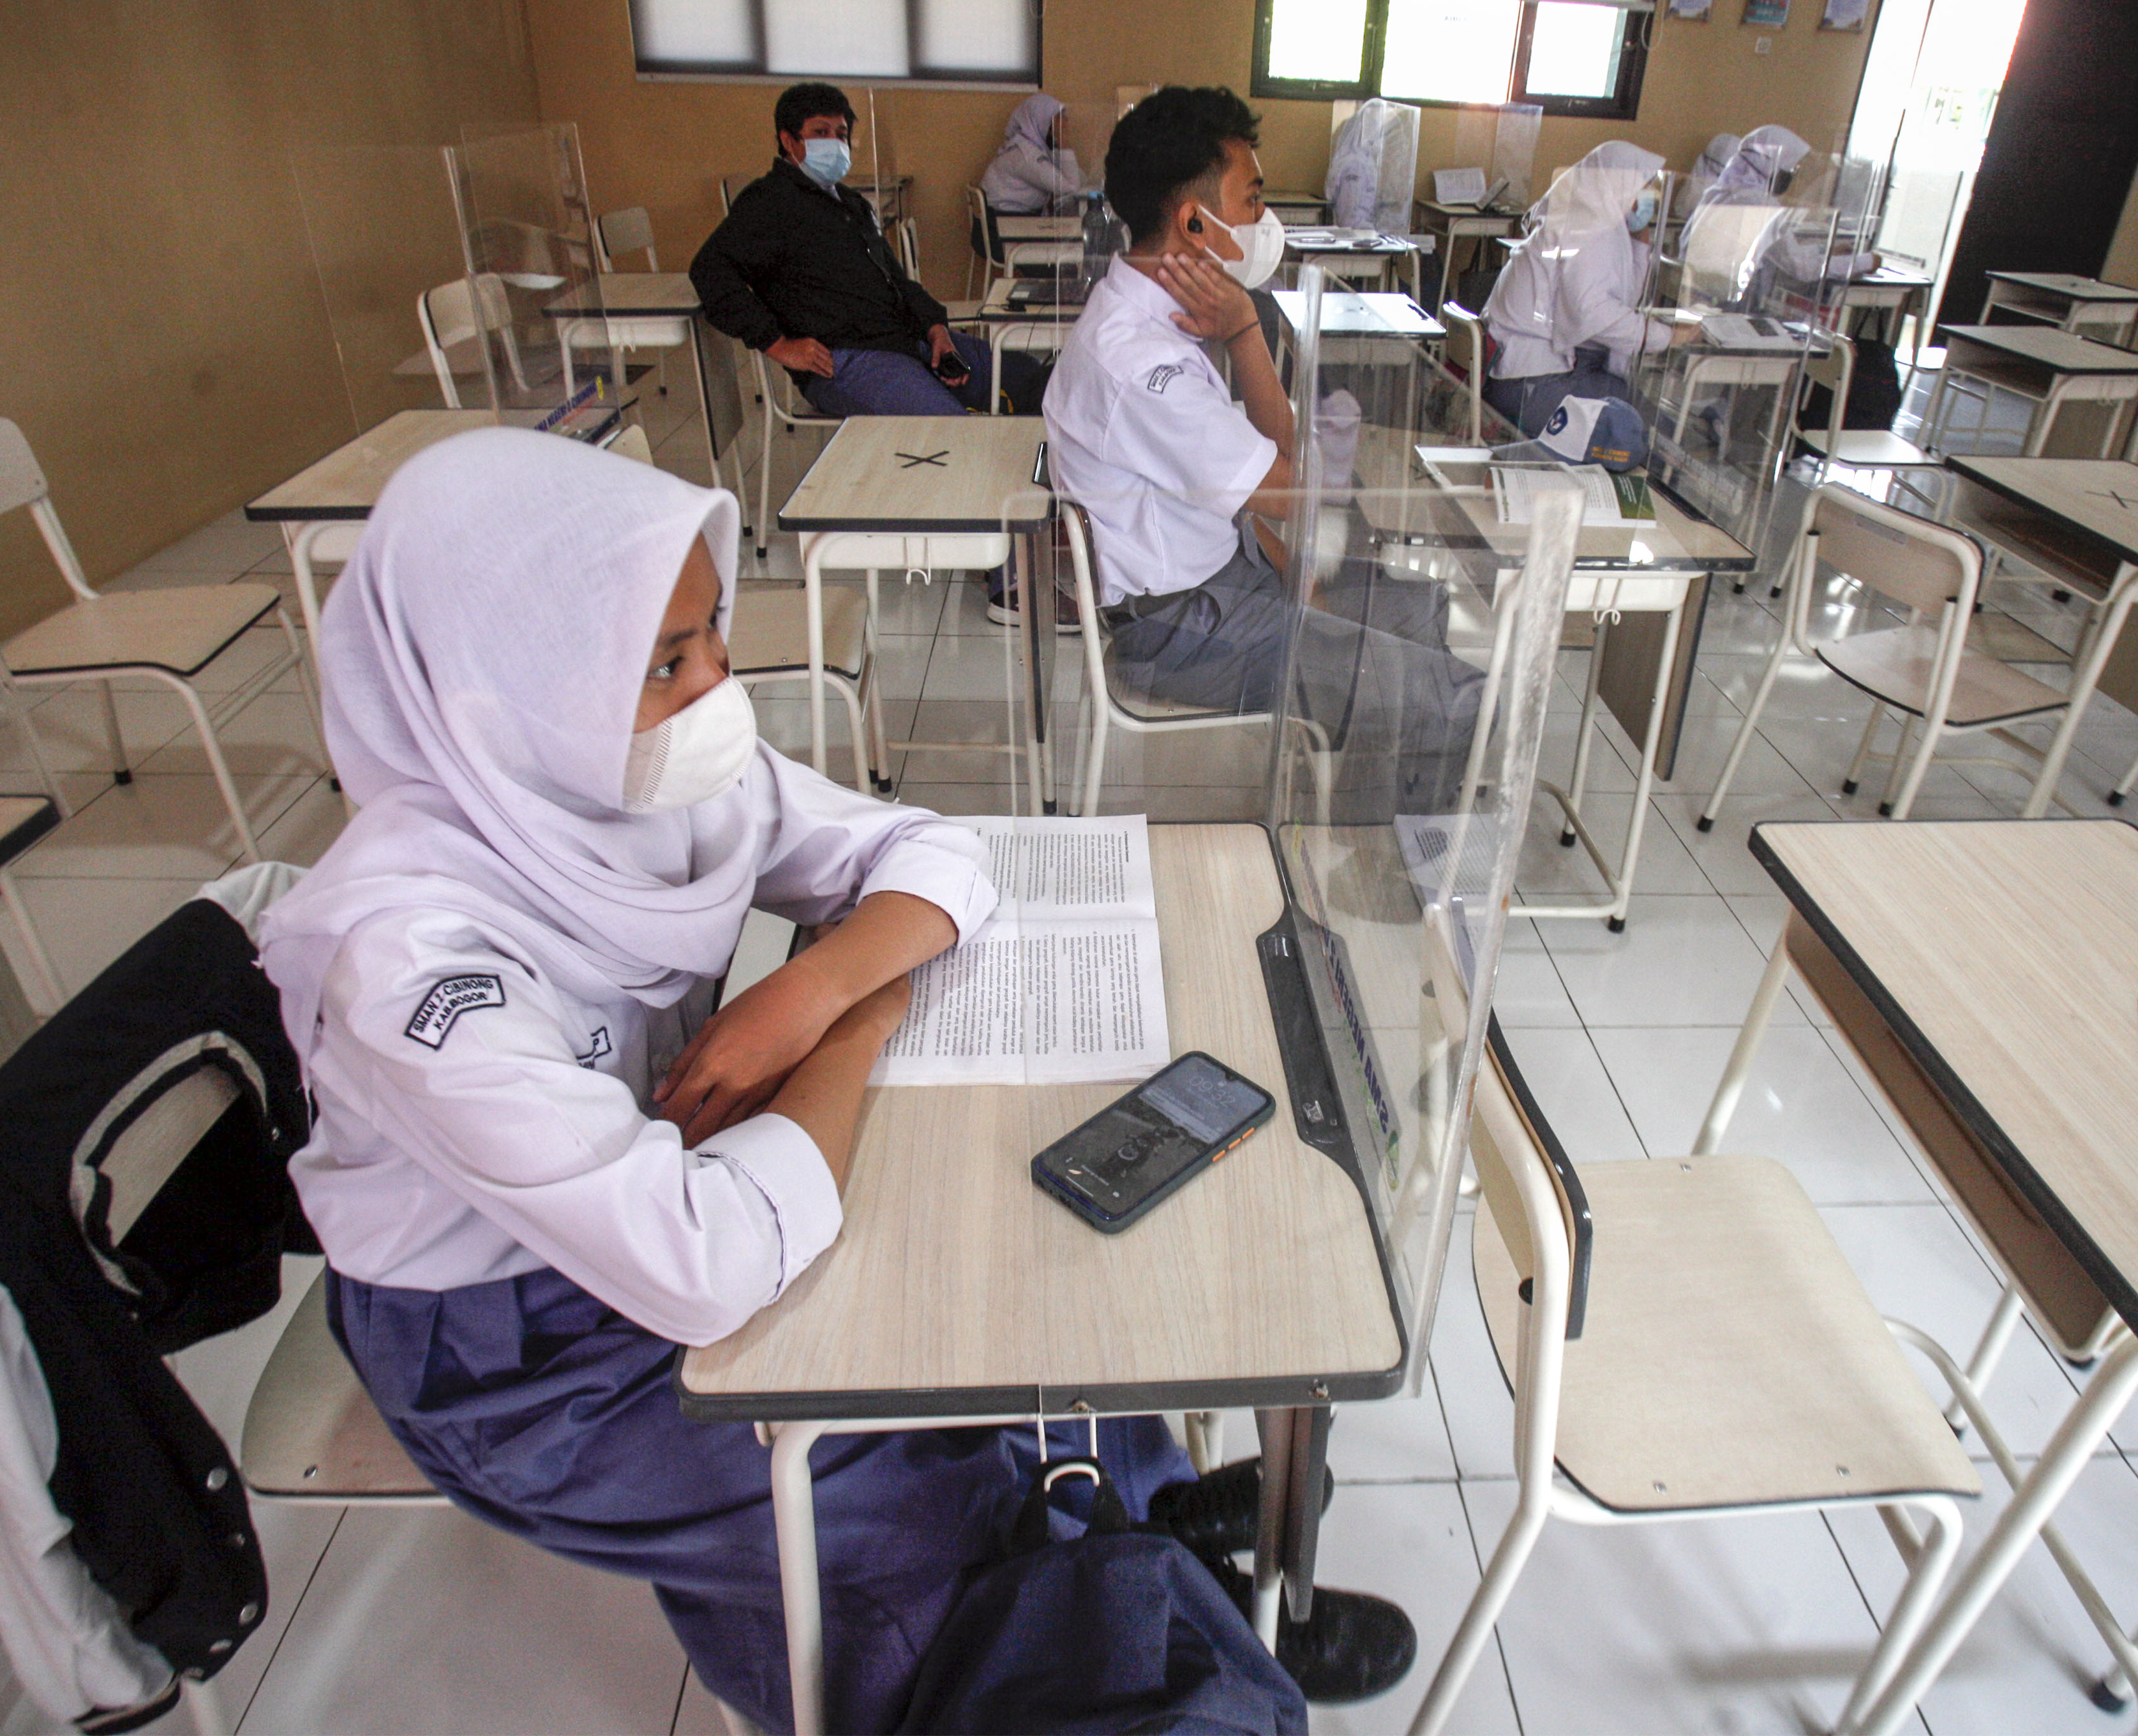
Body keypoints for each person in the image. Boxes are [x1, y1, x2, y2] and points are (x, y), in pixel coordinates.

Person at [252, 429, 1392, 1730]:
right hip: (516, 1347)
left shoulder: (619, 780)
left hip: (650, 1180)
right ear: (502, 688)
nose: (719, 691)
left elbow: (935, 853)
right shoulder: (409, 961)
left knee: (1027, 1323)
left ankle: (1148, 1549)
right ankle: (1138, 1601)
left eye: (714, 636)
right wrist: (857, 1018)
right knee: (913, 1498)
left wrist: (803, 990)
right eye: (667, 663)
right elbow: (702, 1262)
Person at [1042, 86, 1485, 823]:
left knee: (1422, 607)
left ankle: (1375, 798)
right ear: (1193, 221)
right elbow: (1299, 493)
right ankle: (1387, 870)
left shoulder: (1160, 323)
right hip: (1184, 628)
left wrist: (1244, 327)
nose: (1263, 221)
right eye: (1252, 201)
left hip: (1224, 576)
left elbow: (1284, 474)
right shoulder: (1144, 363)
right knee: (1443, 687)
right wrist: (1247, 328)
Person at [692, 81, 1047, 418]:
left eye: (841, 133)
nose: (835, 142)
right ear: (789, 141)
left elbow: (897, 282)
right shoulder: (768, 203)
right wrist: (777, 344)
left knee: (1030, 378)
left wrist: (936, 330)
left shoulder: (850, 204)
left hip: (905, 340)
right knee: (947, 428)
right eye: (821, 133)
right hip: (845, 359)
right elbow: (710, 271)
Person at [1481, 140, 1687, 454]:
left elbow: (1622, 299)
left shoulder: (1585, 219)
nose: (1649, 198)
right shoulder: (1591, 229)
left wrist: (1640, 239)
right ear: (1620, 186)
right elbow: (1594, 314)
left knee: (1637, 405)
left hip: (1518, 374)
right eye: (1643, 188)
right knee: (1646, 424)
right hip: (1529, 387)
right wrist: (1667, 337)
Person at [978, 93, 1087, 217]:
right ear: (1042, 121)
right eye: (1059, 119)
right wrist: (1064, 141)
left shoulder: (1029, 147)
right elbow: (1071, 188)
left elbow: (1076, 178)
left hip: (1008, 220)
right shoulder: (1025, 155)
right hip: (1005, 223)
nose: (1065, 122)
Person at [1324, 97, 1417, 234]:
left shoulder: (1365, 162)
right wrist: (1384, 230)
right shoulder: (1355, 166)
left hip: (1366, 232)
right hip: (1358, 237)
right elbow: (1350, 220)